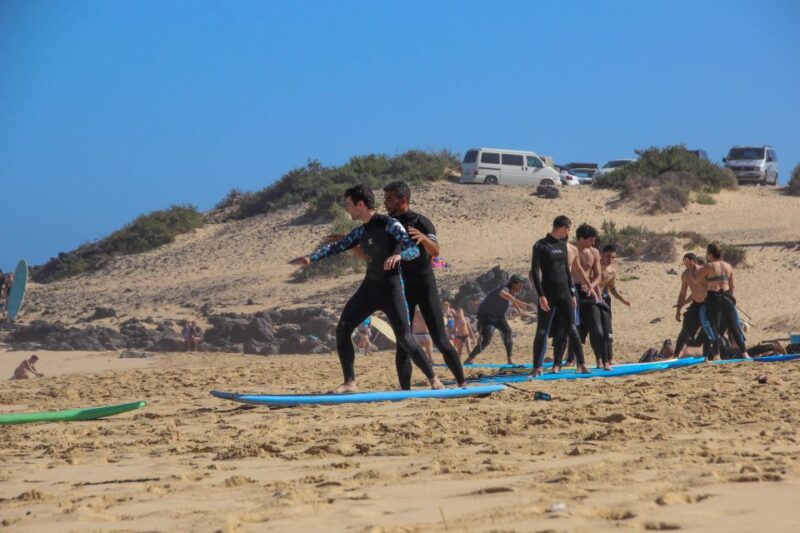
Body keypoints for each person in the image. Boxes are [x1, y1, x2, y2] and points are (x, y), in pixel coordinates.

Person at [290, 184, 442, 393]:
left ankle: (434, 379)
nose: (347, 210)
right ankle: (350, 382)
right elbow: (338, 246)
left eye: (349, 205)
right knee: (342, 329)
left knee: (405, 339)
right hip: (370, 288)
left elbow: (413, 250)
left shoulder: (390, 224)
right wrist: (310, 258)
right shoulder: (361, 231)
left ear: (360, 204)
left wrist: (399, 255)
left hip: (391, 289)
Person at [382, 182, 466, 387]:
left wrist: (422, 239)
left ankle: (462, 383)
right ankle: (405, 390)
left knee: (441, 340)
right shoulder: (387, 225)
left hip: (425, 285)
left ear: (403, 200)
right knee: (403, 342)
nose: (385, 204)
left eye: (389, 199)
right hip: (402, 289)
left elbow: (436, 250)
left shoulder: (421, 221)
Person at [531, 216, 591, 376]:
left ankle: (582, 364)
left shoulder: (563, 246)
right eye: (568, 229)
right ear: (563, 228)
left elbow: (566, 271)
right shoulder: (540, 245)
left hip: (564, 293)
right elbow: (534, 272)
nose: (568, 232)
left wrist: (572, 293)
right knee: (542, 330)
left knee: (572, 328)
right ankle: (537, 367)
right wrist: (540, 295)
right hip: (548, 294)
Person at [464, 275, 531, 365]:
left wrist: (520, 311)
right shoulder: (505, 289)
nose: (522, 286)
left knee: (508, 332)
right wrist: (519, 302)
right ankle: (469, 359)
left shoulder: (513, 292)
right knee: (486, 341)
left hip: (499, 318)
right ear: (514, 283)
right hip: (486, 317)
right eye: (520, 284)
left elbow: (512, 300)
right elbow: (502, 294)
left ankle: (509, 360)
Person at [699, 242, 749, 359]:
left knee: (714, 327)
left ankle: (717, 355)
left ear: (710, 254)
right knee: (734, 326)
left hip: (713, 297)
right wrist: (730, 298)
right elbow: (732, 286)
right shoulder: (728, 266)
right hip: (727, 297)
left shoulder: (708, 266)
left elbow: (698, 282)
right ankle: (745, 353)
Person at [596, 244, 631, 365]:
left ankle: (609, 358)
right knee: (590, 330)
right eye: (608, 256)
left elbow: (612, 289)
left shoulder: (612, 271)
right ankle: (572, 358)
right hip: (590, 299)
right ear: (602, 254)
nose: (610, 260)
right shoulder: (594, 265)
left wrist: (623, 300)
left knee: (607, 329)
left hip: (604, 300)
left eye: (613, 257)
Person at [673, 253, 711, 358]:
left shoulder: (704, 272)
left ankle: (708, 356)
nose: (686, 264)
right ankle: (675, 355)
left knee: (707, 329)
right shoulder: (685, 275)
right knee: (685, 330)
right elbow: (683, 293)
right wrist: (678, 310)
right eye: (684, 262)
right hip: (695, 305)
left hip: (707, 304)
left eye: (687, 262)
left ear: (693, 260)